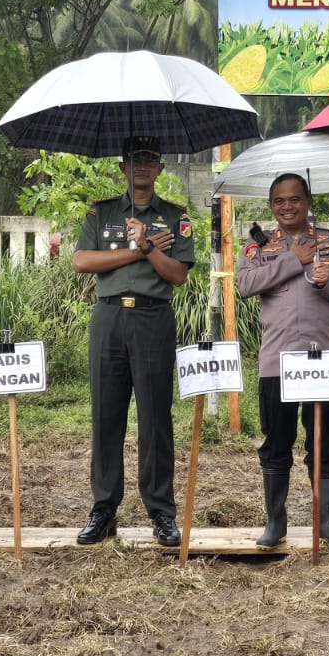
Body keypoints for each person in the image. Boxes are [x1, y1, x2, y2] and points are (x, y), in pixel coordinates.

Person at [71, 135, 195, 548]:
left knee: (155, 418)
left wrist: (149, 246)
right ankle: (104, 509)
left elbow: (177, 274)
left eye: (150, 160)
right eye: (134, 159)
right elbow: (82, 262)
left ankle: (161, 512)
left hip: (152, 317)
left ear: (160, 168)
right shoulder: (102, 211)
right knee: (106, 415)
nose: (142, 166)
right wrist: (138, 251)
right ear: (123, 167)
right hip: (108, 317)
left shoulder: (175, 218)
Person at [237, 172, 329, 548]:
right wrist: (294, 260)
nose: (287, 207)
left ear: (307, 202)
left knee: (324, 441)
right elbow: (245, 285)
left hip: (323, 361)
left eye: (294, 199)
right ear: (271, 206)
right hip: (277, 361)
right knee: (276, 441)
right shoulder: (259, 246)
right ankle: (275, 523)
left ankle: (324, 522)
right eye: (279, 201)